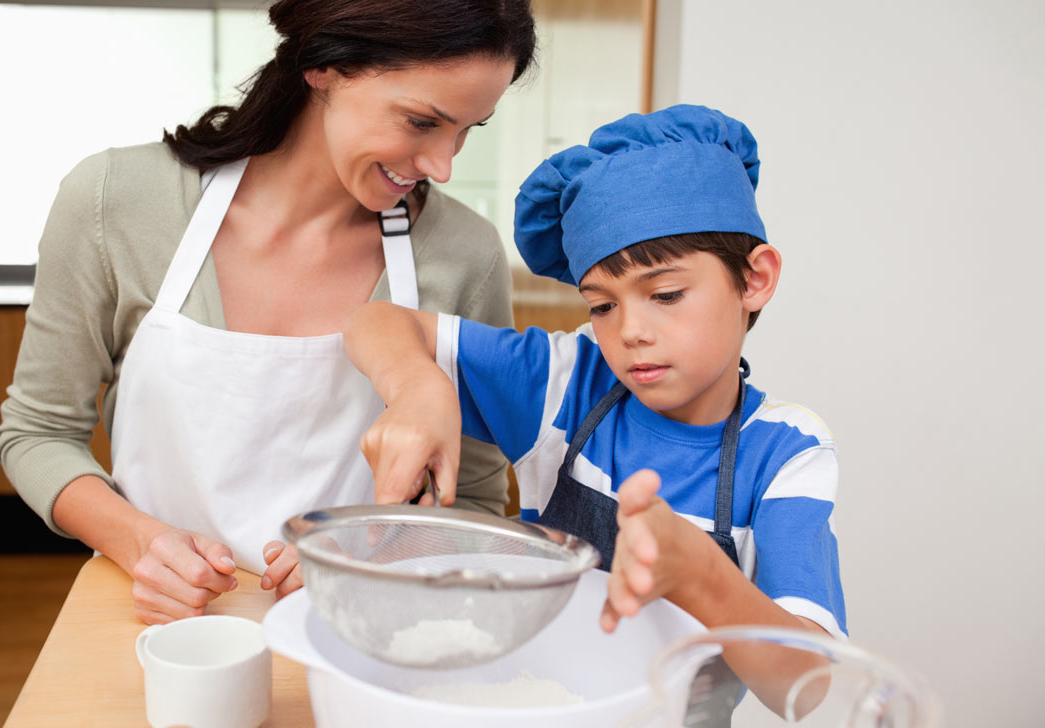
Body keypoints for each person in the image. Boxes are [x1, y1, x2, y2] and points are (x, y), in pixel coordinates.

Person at [0, 0, 536, 624]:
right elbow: (36, 433)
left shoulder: (465, 254)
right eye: (421, 122)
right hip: (156, 624)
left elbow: (471, 499)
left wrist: (381, 555)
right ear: (324, 68)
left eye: (470, 129)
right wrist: (136, 540)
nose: (443, 166)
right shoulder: (115, 199)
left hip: (360, 634)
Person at [344, 105, 846, 716]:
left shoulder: (786, 453)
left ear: (754, 279)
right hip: (530, 705)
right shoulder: (566, 383)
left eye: (665, 295)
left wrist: (701, 578)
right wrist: (420, 389)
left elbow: (804, 688)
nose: (630, 331)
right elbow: (377, 322)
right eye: (602, 306)